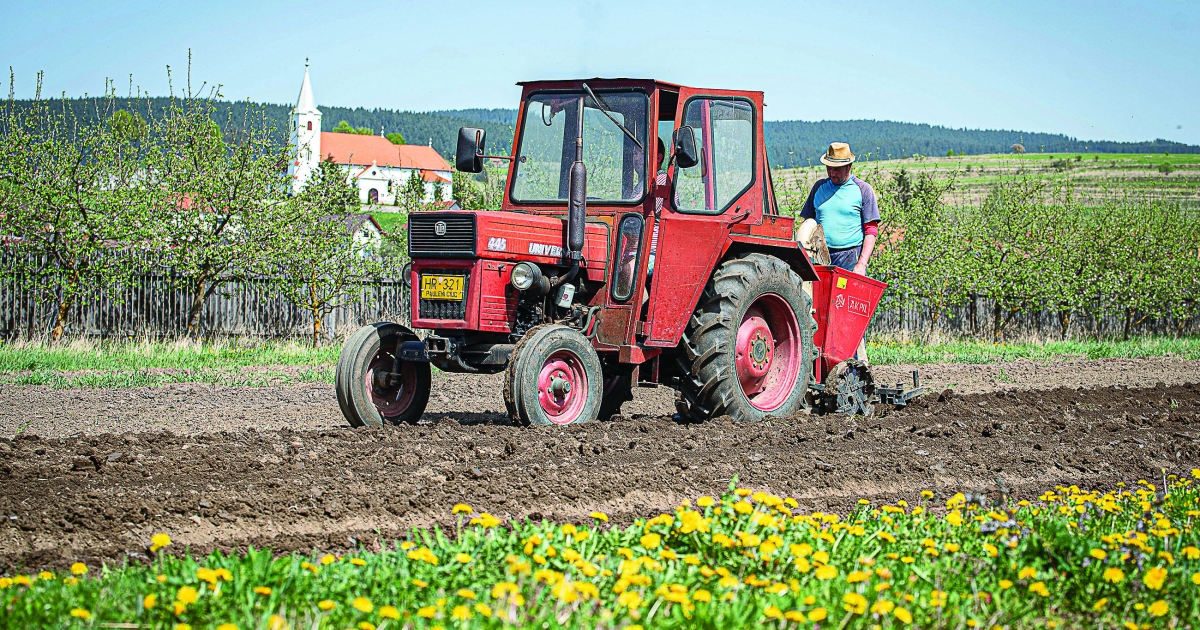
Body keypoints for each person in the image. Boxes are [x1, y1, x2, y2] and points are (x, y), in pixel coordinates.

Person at [800, 141, 880, 362]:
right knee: (819, 312)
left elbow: (871, 230)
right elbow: (808, 223)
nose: (831, 172)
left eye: (836, 168)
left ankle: (857, 364)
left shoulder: (862, 190)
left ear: (848, 167)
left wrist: (861, 264)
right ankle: (821, 362)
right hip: (820, 257)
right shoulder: (819, 188)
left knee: (849, 316)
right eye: (829, 167)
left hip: (850, 257)